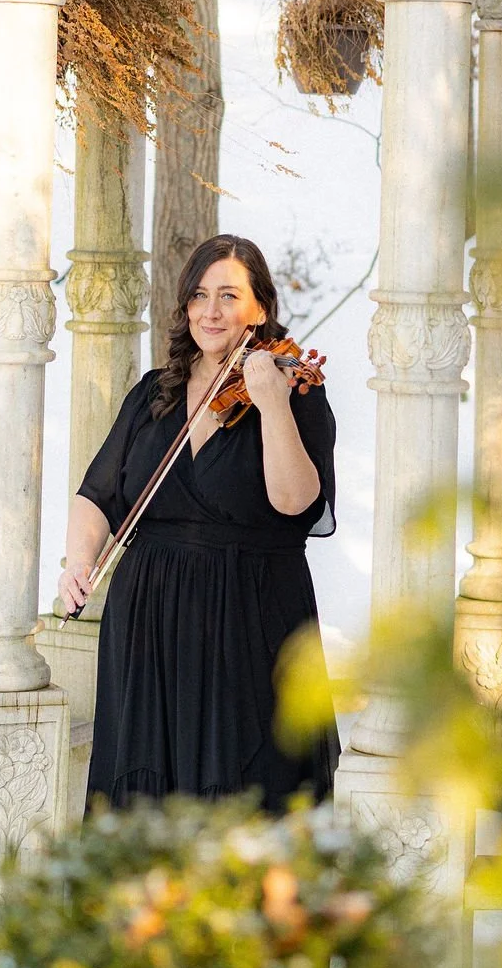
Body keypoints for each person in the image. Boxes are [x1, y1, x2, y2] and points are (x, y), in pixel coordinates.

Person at [56, 234, 339, 810]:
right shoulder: (153, 394)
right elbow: (98, 493)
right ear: (185, 305)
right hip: (149, 621)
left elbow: (296, 503)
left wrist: (273, 406)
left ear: (260, 307)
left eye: (230, 295)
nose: (212, 311)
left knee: (245, 785)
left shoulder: (292, 389)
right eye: (200, 295)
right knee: (145, 788)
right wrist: (80, 560)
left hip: (249, 617)